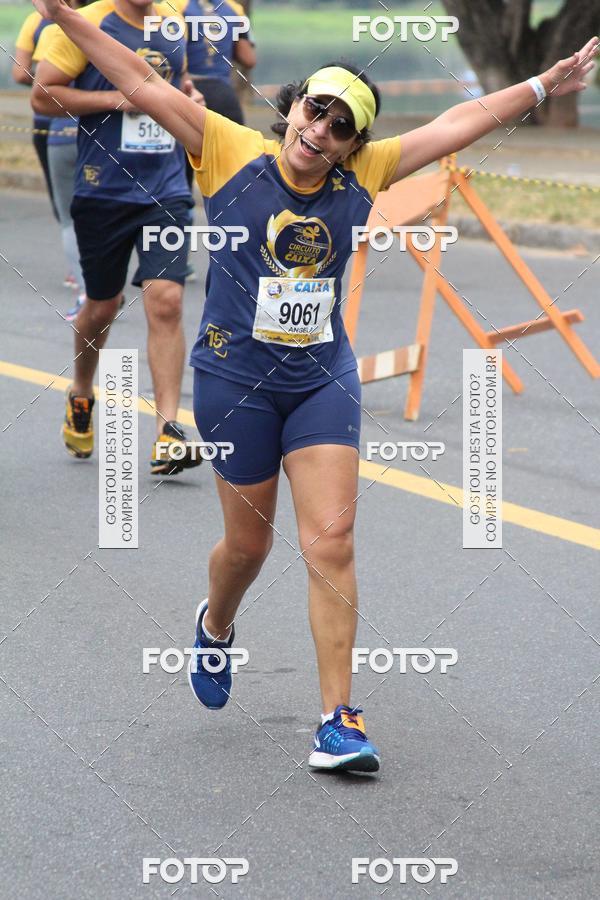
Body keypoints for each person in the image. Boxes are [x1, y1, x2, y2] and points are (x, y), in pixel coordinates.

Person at [30, 0, 598, 773]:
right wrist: (62, 11)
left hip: (320, 377)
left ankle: (338, 719)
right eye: (313, 110)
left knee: (331, 542)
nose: (319, 130)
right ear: (291, 108)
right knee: (247, 545)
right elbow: (133, 75)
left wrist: (545, 82)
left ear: (354, 144)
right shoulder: (226, 148)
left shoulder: (365, 171)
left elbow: (460, 122)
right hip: (234, 379)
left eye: (339, 126)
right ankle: (217, 626)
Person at [31, 0, 205, 474]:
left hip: (166, 188)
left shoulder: (174, 18)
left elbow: (178, 83)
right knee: (102, 307)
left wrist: (190, 99)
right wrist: (117, 98)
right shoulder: (86, 23)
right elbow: (44, 96)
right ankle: (82, 390)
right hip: (102, 187)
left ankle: (168, 431)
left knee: (166, 300)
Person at [31, 15, 84, 319]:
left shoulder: (51, 31)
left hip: (62, 133)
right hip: (99, 136)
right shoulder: (105, 25)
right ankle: (107, 288)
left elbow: (35, 81)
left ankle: (86, 292)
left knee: (68, 219)